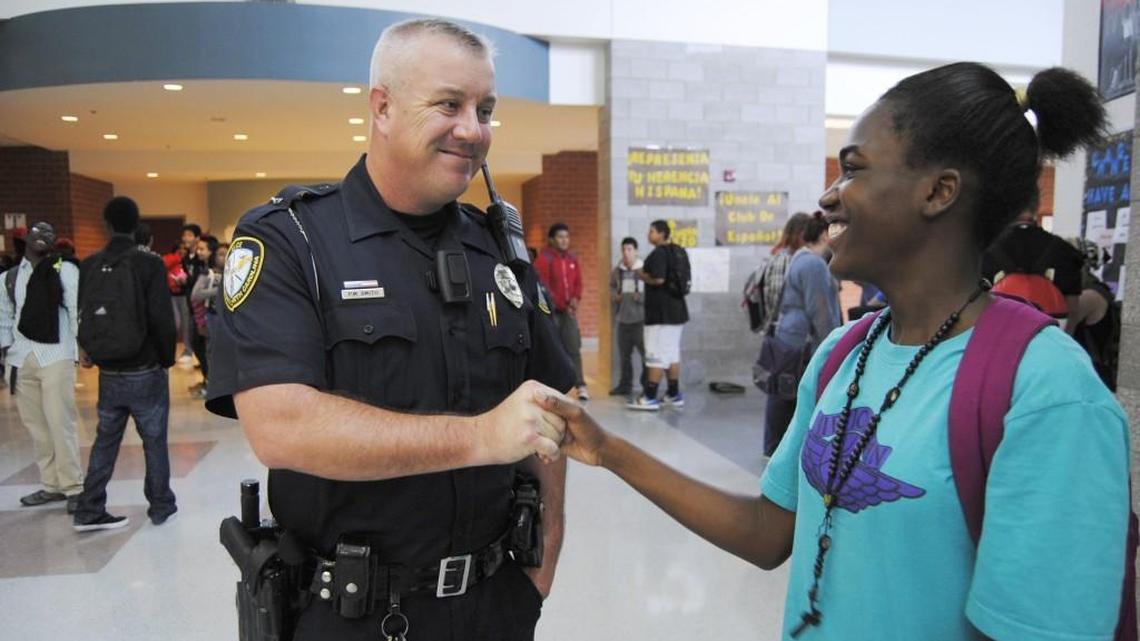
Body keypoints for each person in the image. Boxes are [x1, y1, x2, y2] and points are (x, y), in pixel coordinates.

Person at [539, 63, 1132, 640]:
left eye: (853, 170)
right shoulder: (843, 353)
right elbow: (769, 530)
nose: (828, 196)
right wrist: (609, 448)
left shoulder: (1049, 394)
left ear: (939, 190)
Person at [205, 18, 576, 641]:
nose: (473, 129)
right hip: (351, 615)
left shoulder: (499, 251)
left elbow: (551, 404)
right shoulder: (291, 241)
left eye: (484, 109)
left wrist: (542, 565)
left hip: (495, 604)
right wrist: (480, 437)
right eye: (449, 104)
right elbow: (280, 427)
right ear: (382, 107)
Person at [72, 196, 178, 531]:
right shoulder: (148, 264)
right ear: (136, 224)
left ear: (107, 223)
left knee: (105, 440)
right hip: (144, 368)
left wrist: (87, 348)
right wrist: (165, 359)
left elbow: (82, 313)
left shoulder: (89, 265)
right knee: (154, 440)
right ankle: (160, 505)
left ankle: (89, 507)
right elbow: (161, 318)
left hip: (109, 373)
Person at [0, 221, 83, 512]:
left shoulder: (65, 270)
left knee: (61, 422)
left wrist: (78, 348)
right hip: (22, 358)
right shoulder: (10, 277)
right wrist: (6, 353)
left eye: (49, 234)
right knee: (36, 427)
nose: (43, 238)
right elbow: (5, 317)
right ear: (26, 240)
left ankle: (73, 487)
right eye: (38, 234)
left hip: (56, 355)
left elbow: (75, 310)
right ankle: (52, 485)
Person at [763, 212, 840, 456]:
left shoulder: (799, 258)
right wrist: (835, 344)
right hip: (803, 341)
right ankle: (780, 449)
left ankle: (774, 447)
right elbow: (819, 310)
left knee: (783, 393)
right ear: (824, 234)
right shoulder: (813, 264)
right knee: (792, 397)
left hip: (790, 336)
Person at [982, 208, 1085, 329]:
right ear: (1034, 210)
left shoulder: (983, 251)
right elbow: (1072, 311)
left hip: (996, 336)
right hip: (1049, 338)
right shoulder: (1065, 251)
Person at [628, 220, 688, 410]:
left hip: (661, 315)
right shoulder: (678, 251)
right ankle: (673, 393)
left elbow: (659, 279)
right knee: (671, 354)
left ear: (662, 234)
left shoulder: (658, 254)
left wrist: (640, 274)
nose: (649, 234)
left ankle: (649, 396)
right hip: (678, 312)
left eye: (652, 231)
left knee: (655, 354)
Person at [534, 223, 587, 400]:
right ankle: (551, 387)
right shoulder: (544, 259)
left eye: (567, 237)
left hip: (569, 312)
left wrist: (575, 298)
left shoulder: (572, 259)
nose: (564, 240)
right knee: (552, 349)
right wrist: (561, 304)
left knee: (574, 347)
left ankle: (580, 385)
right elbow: (543, 287)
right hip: (552, 313)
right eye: (560, 237)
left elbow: (578, 283)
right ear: (551, 239)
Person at [608, 237, 646, 397]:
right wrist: (613, 296)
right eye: (624, 249)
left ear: (636, 251)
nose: (626, 253)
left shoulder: (644, 269)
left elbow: (654, 291)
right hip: (622, 320)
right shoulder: (618, 270)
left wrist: (642, 297)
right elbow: (611, 287)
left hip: (641, 321)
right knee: (624, 357)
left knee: (646, 356)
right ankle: (625, 385)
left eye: (629, 249)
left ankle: (647, 386)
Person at [189, 236, 221, 398]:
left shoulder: (211, 270)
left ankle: (211, 384)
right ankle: (209, 383)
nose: (199, 251)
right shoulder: (202, 268)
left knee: (210, 351)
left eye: (203, 249)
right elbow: (195, 294)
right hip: (203, 315)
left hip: (210, 316)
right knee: (204, 350)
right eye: (198, 248)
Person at [175, 223, 202, 362]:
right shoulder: (185, 257)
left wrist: (187, 280)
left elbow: (200, 278)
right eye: (184, 235)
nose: (185, 238)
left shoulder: (201, 255)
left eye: (189, 235)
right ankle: (197, 358)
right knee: (193, 332)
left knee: (200, 335)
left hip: (201, 301)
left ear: (197, 238)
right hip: (190, 298)